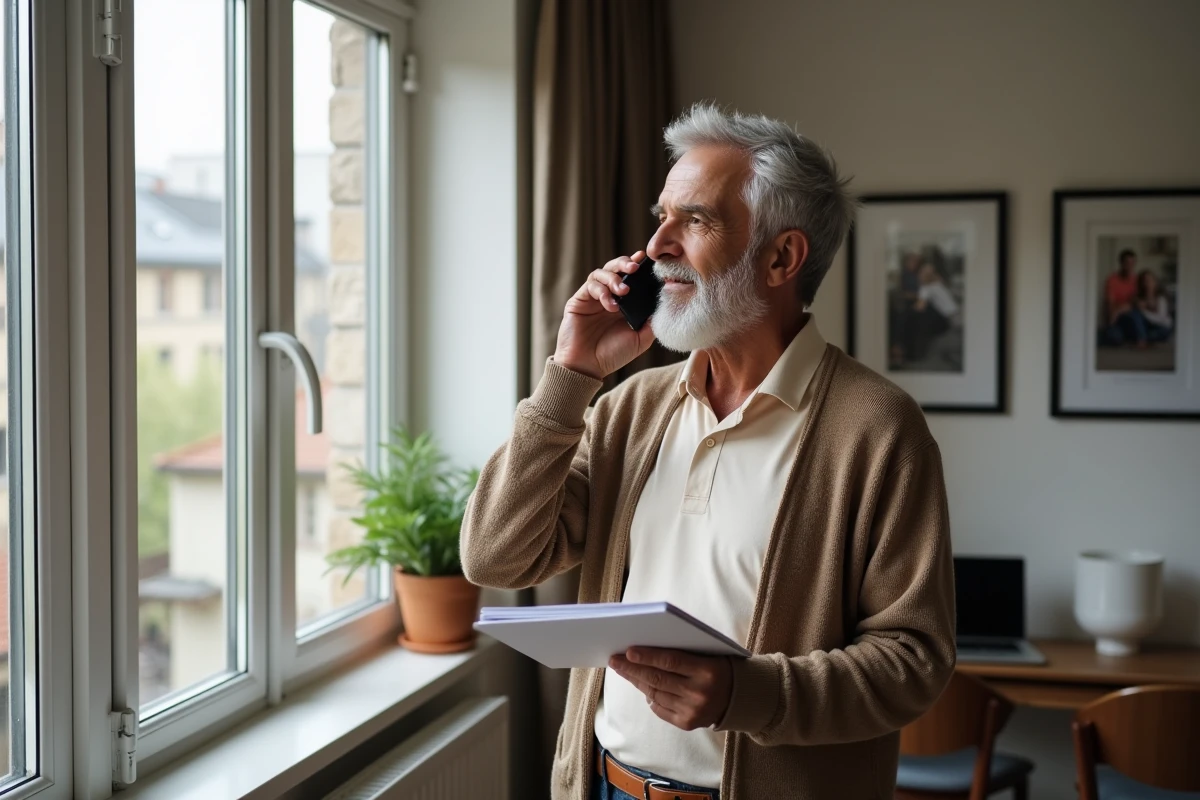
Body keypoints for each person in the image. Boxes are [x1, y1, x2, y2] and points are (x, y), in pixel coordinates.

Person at [461, 104, 955, 800]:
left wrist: (744, 694)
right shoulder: (632, 407)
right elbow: (495, 556)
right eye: (661, 217)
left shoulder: (877, 428)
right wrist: (568, 377)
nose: (658, 244)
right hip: (606, 786)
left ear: (782, 257)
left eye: (696, 220)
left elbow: (914, 661)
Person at [1100, 249, 1142, 346]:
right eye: (1127, 263)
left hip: (1132, 315)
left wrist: (1120, 309)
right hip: (1117, 318)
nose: (1130, 266)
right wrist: (1113, 316)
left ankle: (1139, 339)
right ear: (1121, 263)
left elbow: (1136, 303)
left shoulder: (1137, 280)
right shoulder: (1112, 279)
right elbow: (1110, 304)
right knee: (1113, 338)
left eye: (1133, 263)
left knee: (1135, 315)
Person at [1135, 269, 1173, 345]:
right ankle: (1142, 338)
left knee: (1152, 335)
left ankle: (1143, 339)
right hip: (1148, 326)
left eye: (1150, 280)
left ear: (1155, 282)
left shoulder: (1160, 298)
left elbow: (1160, 319)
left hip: (1162, 326)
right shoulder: (1140, 298)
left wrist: (1143, 311)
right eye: (1144, 281)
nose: (1147, 283)